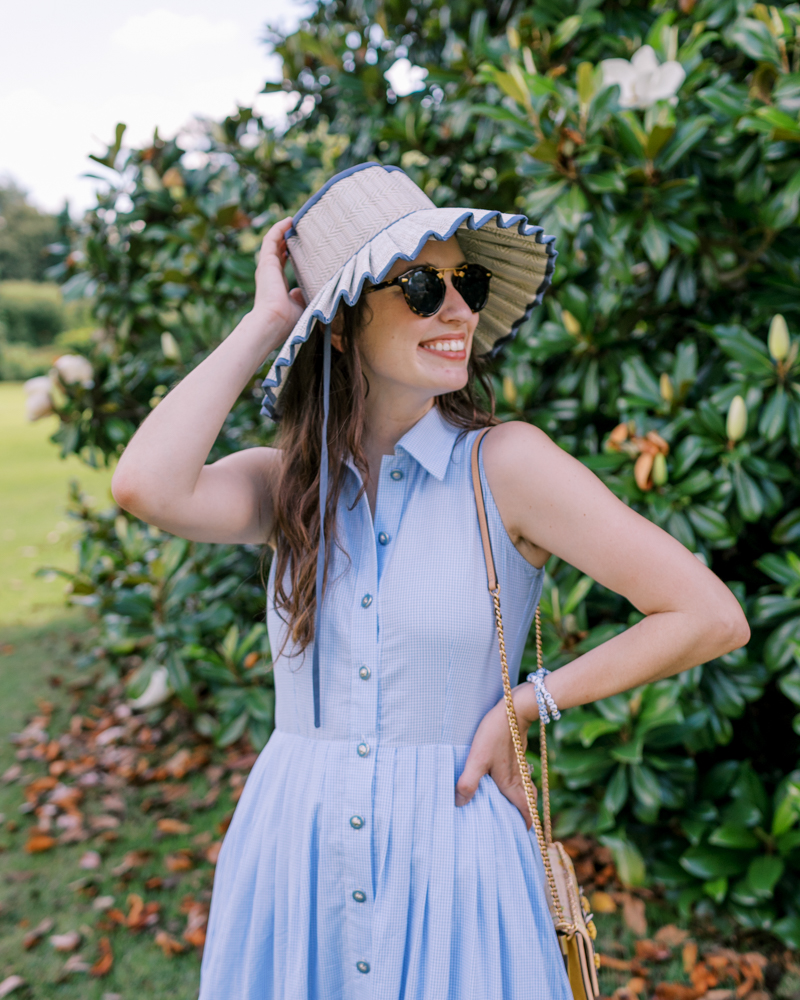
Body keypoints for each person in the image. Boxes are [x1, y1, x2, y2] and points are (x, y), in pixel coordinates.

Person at [111, 162, 750, 1000]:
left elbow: (708, 614)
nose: (458, 311)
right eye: (420, 287)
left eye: (467, 282)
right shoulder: (289, 483)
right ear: (341, 325)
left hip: (452, 855)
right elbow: (144, 486)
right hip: (296, 853)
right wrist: (270, 318)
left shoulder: (509, 466)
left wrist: (524, 704)